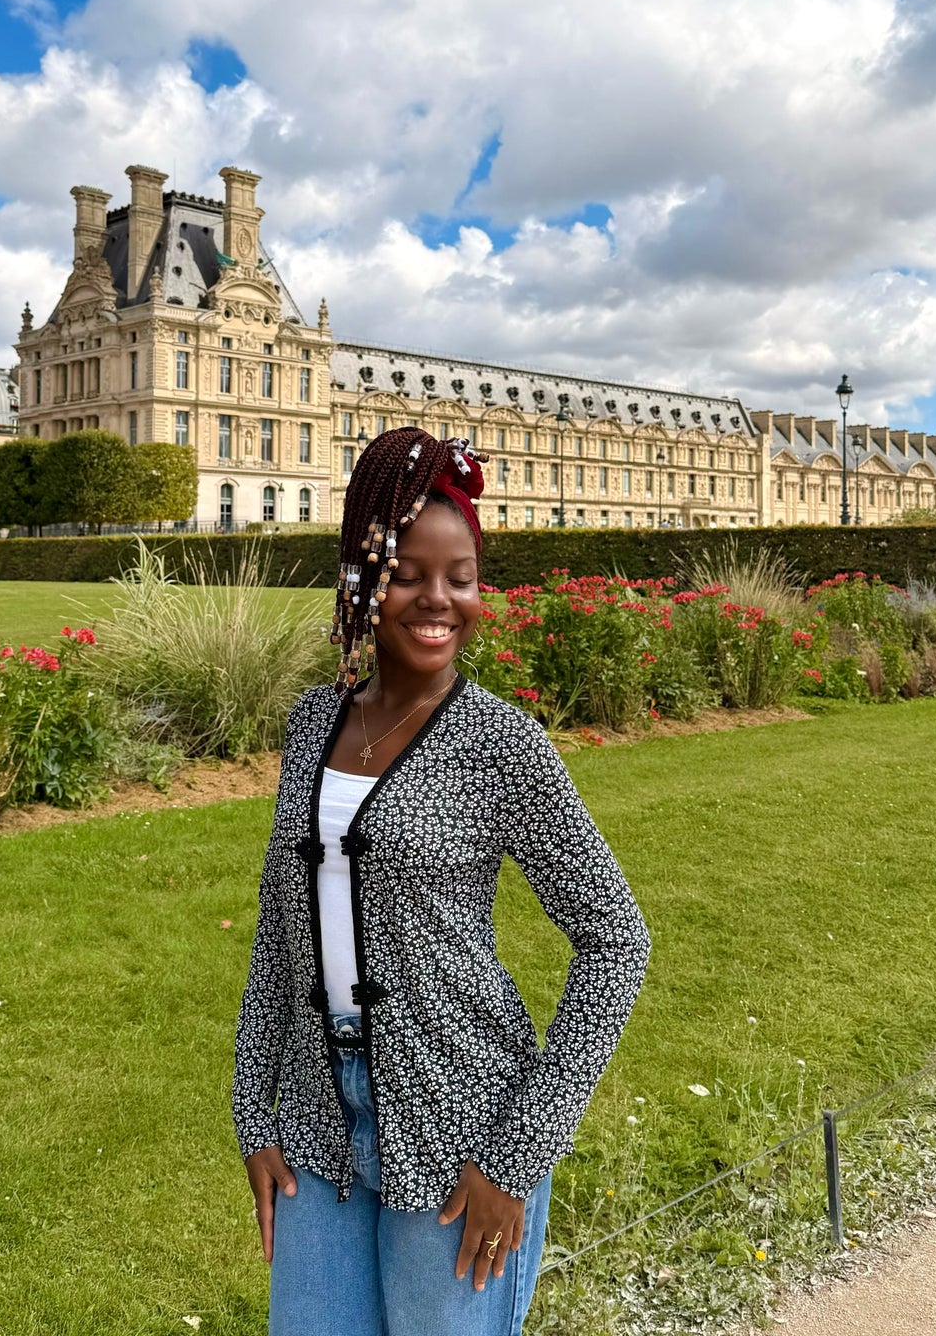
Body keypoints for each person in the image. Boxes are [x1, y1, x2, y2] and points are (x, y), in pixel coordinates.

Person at [233, 426, 650, 1336]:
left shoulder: (502, 746)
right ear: (360, 577)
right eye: (407, 572)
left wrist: (516, 1158)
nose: (438, 600)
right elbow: (280, 925)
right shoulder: (314, 723)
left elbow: (616, 941)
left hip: (462, 1122)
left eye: (459, 576)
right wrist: (248, 1106)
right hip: (314, 1124)